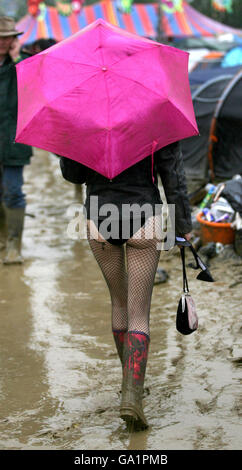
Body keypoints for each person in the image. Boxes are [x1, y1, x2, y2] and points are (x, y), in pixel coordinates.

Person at [60, 141, 192, 432]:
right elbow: (172, 172)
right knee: (139, 313)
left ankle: (128, 385)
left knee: (118, 304)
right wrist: (183, 225)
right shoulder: (155, 113)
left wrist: (71, 144)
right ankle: (133, 395)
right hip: (143, 216)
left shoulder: (85, 118)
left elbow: (73, 175)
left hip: (99, 217)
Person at [0, 16, 32, 264]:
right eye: (0, 38)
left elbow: (36, 81)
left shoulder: (23, 63)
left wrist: (17, 57)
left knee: (13, 191)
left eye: (8, 37)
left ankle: (14, 244)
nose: (4, 41)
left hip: (13, 139)